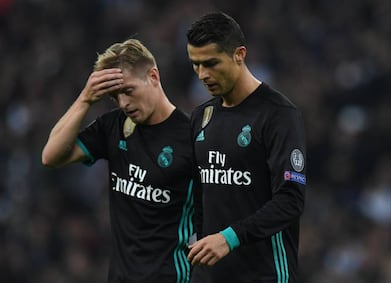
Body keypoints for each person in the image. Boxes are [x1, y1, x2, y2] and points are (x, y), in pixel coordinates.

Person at [42, 38, 194, 283]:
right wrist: (85, 99)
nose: (123, 103)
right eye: (115, 96)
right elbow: (51, 155)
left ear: (153, 77)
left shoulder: (193, 138)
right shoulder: (113, 126)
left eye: (128, 90)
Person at [186, 12, 306, 283]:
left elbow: (290, 200)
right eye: (195, 65)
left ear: (239, 54)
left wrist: (229, 238)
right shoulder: (201, 117)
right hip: (209, 276)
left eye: (211, 63)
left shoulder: (278, 114)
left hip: (264, 274)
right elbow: (198, 199)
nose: (202, 74)